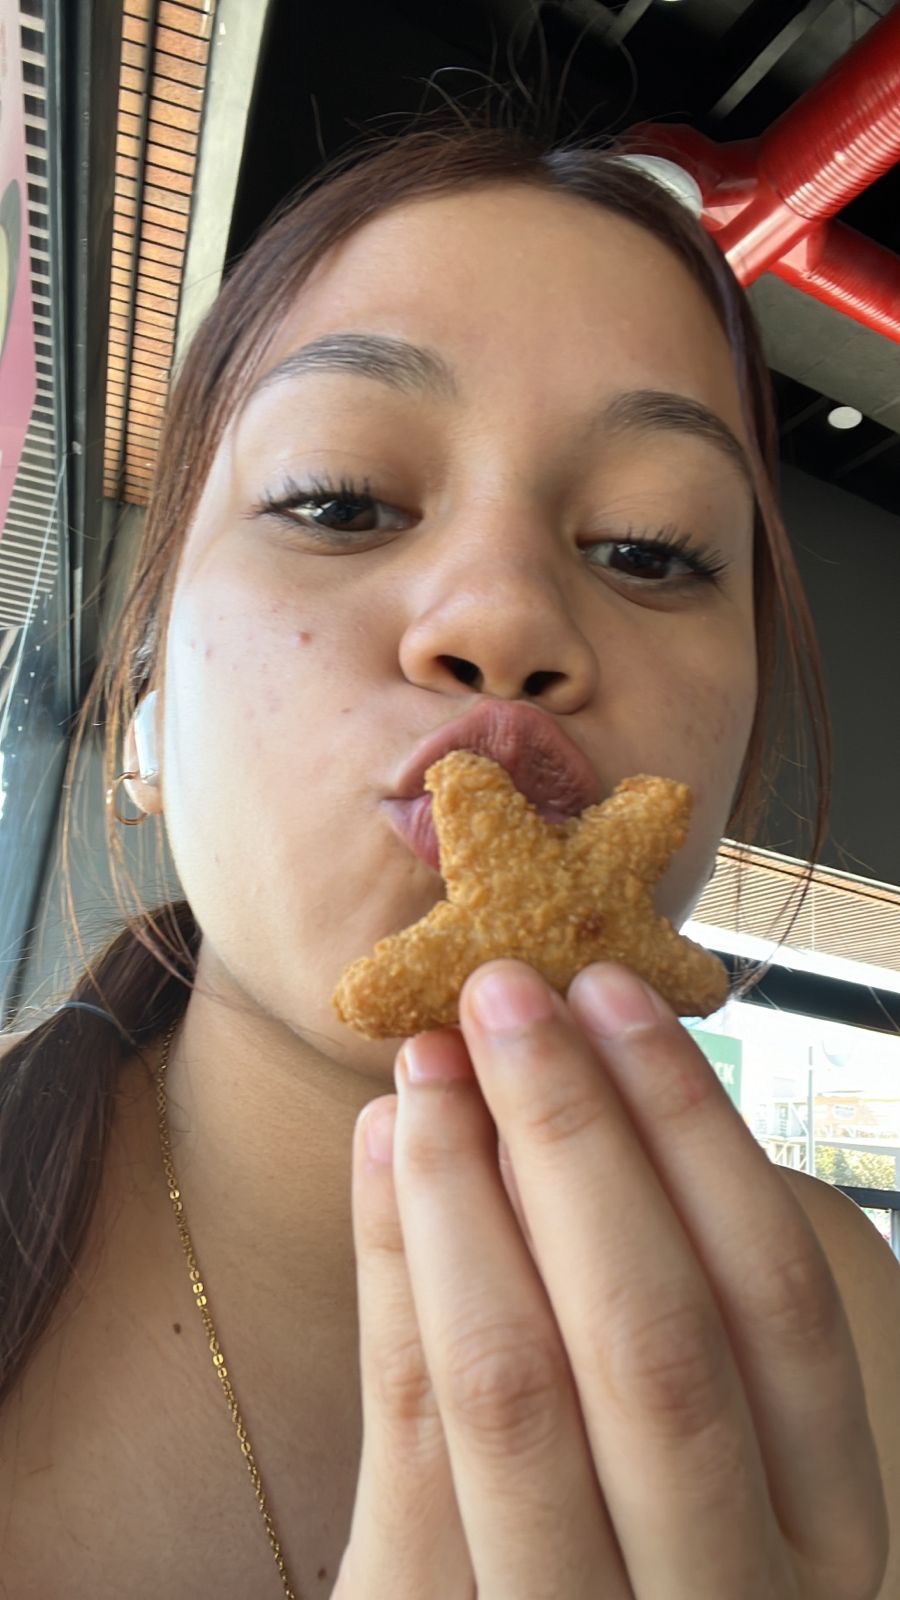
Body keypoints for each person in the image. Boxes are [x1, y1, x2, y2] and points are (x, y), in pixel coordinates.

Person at [0, 120, 896, 1599]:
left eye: (650, 546)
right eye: (340, 500)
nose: (506, 618)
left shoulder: (847, 1326)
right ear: (145, 712)